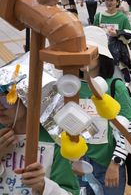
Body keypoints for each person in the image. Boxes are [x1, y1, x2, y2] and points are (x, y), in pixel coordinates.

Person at [0, 56, 80, 195]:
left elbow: (70, 192)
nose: (0, 106)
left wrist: (43, 186)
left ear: (28, 99)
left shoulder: (55, 140)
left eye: (7, 99)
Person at [78, 26, 131, 194]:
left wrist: (115, 163)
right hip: (78, 163)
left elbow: (129, 129)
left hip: (108, 163)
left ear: (101, 55)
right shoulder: (69, 87)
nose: (83, 56)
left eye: (88, 51)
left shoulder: (115, 86)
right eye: (79, 51)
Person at [93, 0, 131, 87]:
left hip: (117, 57)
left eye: (112, 0)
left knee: (116, 84)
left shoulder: (123, 18)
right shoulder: (99, 17)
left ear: (117, 2)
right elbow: (93, 34)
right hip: (101, 56)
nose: (109, 2)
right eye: (106, 0)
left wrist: (118, 34)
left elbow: (129, 36)